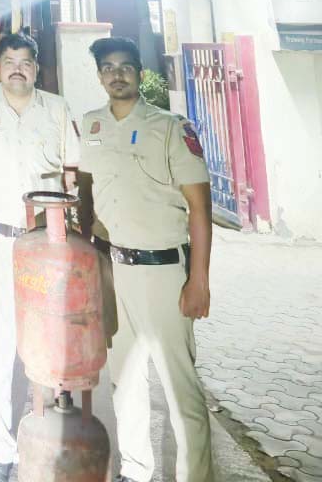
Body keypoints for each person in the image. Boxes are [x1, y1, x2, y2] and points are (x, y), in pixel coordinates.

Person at [78, 37, 214, 482]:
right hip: (116, 270)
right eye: (108, 67)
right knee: (125, 382)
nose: (116, 74)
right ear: (100, 75)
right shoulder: (92, 125)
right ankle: (135, 470)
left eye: (125, 66)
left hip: (164, 272)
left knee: (180, 389)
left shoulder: (171, 127)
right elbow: (87, 192)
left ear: (139, 72)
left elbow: (200, 208)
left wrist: (199, 280)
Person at [0, 32, 80, 482]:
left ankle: (46, 440)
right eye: (9, 61)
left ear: (36, 68)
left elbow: (73, 172)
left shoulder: (57, 109)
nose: (17, 69)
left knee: (49, 341)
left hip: (46, 243)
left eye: (25, 62)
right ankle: (0, 449)